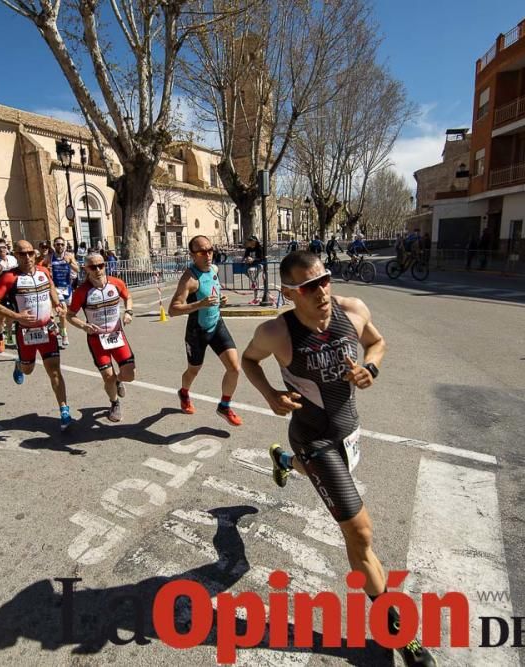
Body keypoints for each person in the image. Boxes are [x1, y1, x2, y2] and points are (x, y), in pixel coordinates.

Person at [241, 250, 435, 667]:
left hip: (349, 433)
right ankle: (398, 631)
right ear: (290, 292)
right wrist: (271, 395)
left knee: (333, 501)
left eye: (325, 280)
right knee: (360, 534)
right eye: (310, 287)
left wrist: (371, 369)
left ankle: (284, 463)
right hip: (314, 438)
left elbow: (378, 343)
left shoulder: (354, 309)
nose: (322, 291)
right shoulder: (277, 331)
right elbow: (248, 360)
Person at [0, 239, 73, 432]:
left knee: (54, 371)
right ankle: (19, 364)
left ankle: (64, 409)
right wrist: (16, 316)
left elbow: (51, 288)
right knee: (28, 370)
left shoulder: (44, 272)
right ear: (15, 256)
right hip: (25, 332)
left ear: (35, 254)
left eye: (29, 253)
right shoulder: (9, 277)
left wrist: (58, 305)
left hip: (47, 329)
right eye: (21, 254)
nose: (26, 257)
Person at [168, 235, 243, 427]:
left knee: (234, 368)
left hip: (216, 323)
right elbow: (173, 309)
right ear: (193, 255)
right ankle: (184, 393)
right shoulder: (189, 279)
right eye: (202, 252)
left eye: (210, 250)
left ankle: (224, 406)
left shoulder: (215, 269)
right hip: (197, 331)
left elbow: (212, 293)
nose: (208, 255)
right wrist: (199, 304)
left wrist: (220, 300)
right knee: (194, 370)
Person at [67, 252, 135, 423]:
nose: (98, 269)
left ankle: (118, 381)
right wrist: (83, 326)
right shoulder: (82, 292)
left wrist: (128, 311)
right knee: (107, 376)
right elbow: (70, 315)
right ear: (86, 269)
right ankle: (114, 403)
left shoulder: (116, 283)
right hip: (97, 340)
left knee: (129, 375)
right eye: (93, 267)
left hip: (117, 335)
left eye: (101, 265)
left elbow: (128, 297)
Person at [46, 236, 80, 349]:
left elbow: (78, 269)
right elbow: (40, 266)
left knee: (68, 313)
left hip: (67, 287)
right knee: (63, 311)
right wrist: (47, 270)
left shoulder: (69, 256)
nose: (59, 246)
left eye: (61, 244)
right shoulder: (50, 257)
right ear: (54, 246)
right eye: (57, 244)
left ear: (64, 245)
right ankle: (65, 335)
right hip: (55, 288)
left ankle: (61, 326)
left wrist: (70, 263)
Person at [242, 235, 265, 305]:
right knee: (248, 272)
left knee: (251, 271)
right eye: (249, 241)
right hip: (250, 266)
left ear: (255, 242)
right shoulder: (248, 249)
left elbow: (261, 258)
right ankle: (256, 295)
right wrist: (245, 259)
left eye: (251, 241)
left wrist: (253, 260)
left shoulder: (259, 248)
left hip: (259, 265)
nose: (250, 243)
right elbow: (245, 256)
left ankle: (254, 284)